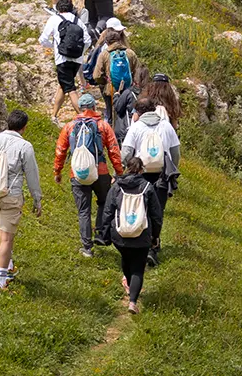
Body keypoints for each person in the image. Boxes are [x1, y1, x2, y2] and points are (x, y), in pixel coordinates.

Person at [0, 109, 42, 292]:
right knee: (6, 240)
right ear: (24, 127)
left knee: (4, 234)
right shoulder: (25, 146)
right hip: (11, 197)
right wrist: (37, 200)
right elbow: (32, 175)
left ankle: (9, 266)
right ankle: (1, 283)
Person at [54, 92, 123, 257]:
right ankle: (99, 231)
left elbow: (60, 150)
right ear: (93, 107)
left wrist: (58, 171)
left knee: (83, 211)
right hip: (101, 172)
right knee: (104, 202)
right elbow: (114, 149)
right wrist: (119, 172)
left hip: (78, 173)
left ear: (80, 108)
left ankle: (87, 248)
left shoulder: (70, 126)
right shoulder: (103, 126)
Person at [120, 96, 181, 265]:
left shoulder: (136, 127)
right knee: (157, 211)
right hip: (161, 176)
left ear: (138, 112)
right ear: (154, 109)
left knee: (142, 208)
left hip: (141, 175)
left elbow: (125, 153)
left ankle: (140, 244)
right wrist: (171, 170)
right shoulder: (166, 126)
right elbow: (176, 153)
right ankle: (153, 246)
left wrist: (129, 167)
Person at [101, 156, 163, 315]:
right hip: (141, 235)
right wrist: (155, 236)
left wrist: (105, 232)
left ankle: (129, 286)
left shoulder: (116, 187)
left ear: (127, 168)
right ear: (142, 170)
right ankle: (133, 302)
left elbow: (108, 211)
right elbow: (156, 215)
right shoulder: (148, 187)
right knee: (137, 267)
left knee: (126, 260)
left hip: (120, 235)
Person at [38, 0, 92, 121]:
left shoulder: (54, 19)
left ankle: (83, 117)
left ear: (58, 8)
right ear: (71, 7)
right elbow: (88, 41)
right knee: (63, 86)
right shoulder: (78, 21)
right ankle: (54, 115)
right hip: (76, 61)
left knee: (71, 89)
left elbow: (43, 39)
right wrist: (79, 52)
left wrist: (55, 46)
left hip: (62, 59)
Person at [92, 27, 140, 124]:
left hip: (111, 89)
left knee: (111, 113)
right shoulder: (130, 53)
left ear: (107, 42)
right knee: (128, 112)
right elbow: (138, 71)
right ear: (119, 40)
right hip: (128, 89)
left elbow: (96, 76)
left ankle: (112, 132)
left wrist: (105, 82)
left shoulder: (104, 54)